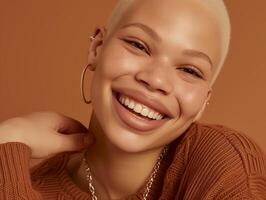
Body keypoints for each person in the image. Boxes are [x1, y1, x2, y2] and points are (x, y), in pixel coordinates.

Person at [0, 0, 265, 199]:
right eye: (138, 45)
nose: (156, 80)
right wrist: (6, 139)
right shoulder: (20, 186)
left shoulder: (223, 165)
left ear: (203, 102)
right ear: (97, 48)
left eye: (189, 70)